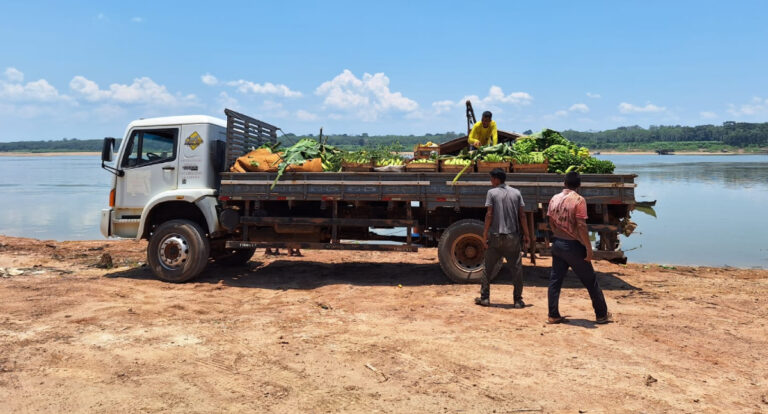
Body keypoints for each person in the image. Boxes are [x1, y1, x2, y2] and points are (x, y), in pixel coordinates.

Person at [546, 171, 612, 324]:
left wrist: (557, 233)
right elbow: (581, 225)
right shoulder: (579, 200)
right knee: (590, 281)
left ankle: (553, 314)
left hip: (558, 243)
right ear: (579, 185)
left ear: (564, 183)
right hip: (573, 245)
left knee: (555, 280)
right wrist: (588, 248)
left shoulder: (554, 198)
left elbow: (550, 221)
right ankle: (601, 314)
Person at [475, 168, 530, 308]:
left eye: (491, 178)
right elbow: (522, 216)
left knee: (488, 268)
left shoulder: (491, 193)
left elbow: (489, 215)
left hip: (495, 236)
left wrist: (484, 234)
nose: (490, 181)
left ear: (496, 179)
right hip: (512, 236)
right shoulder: (516, 193)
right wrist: (527, 235)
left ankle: (485, 298)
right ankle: (518, 300)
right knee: (516, 269)